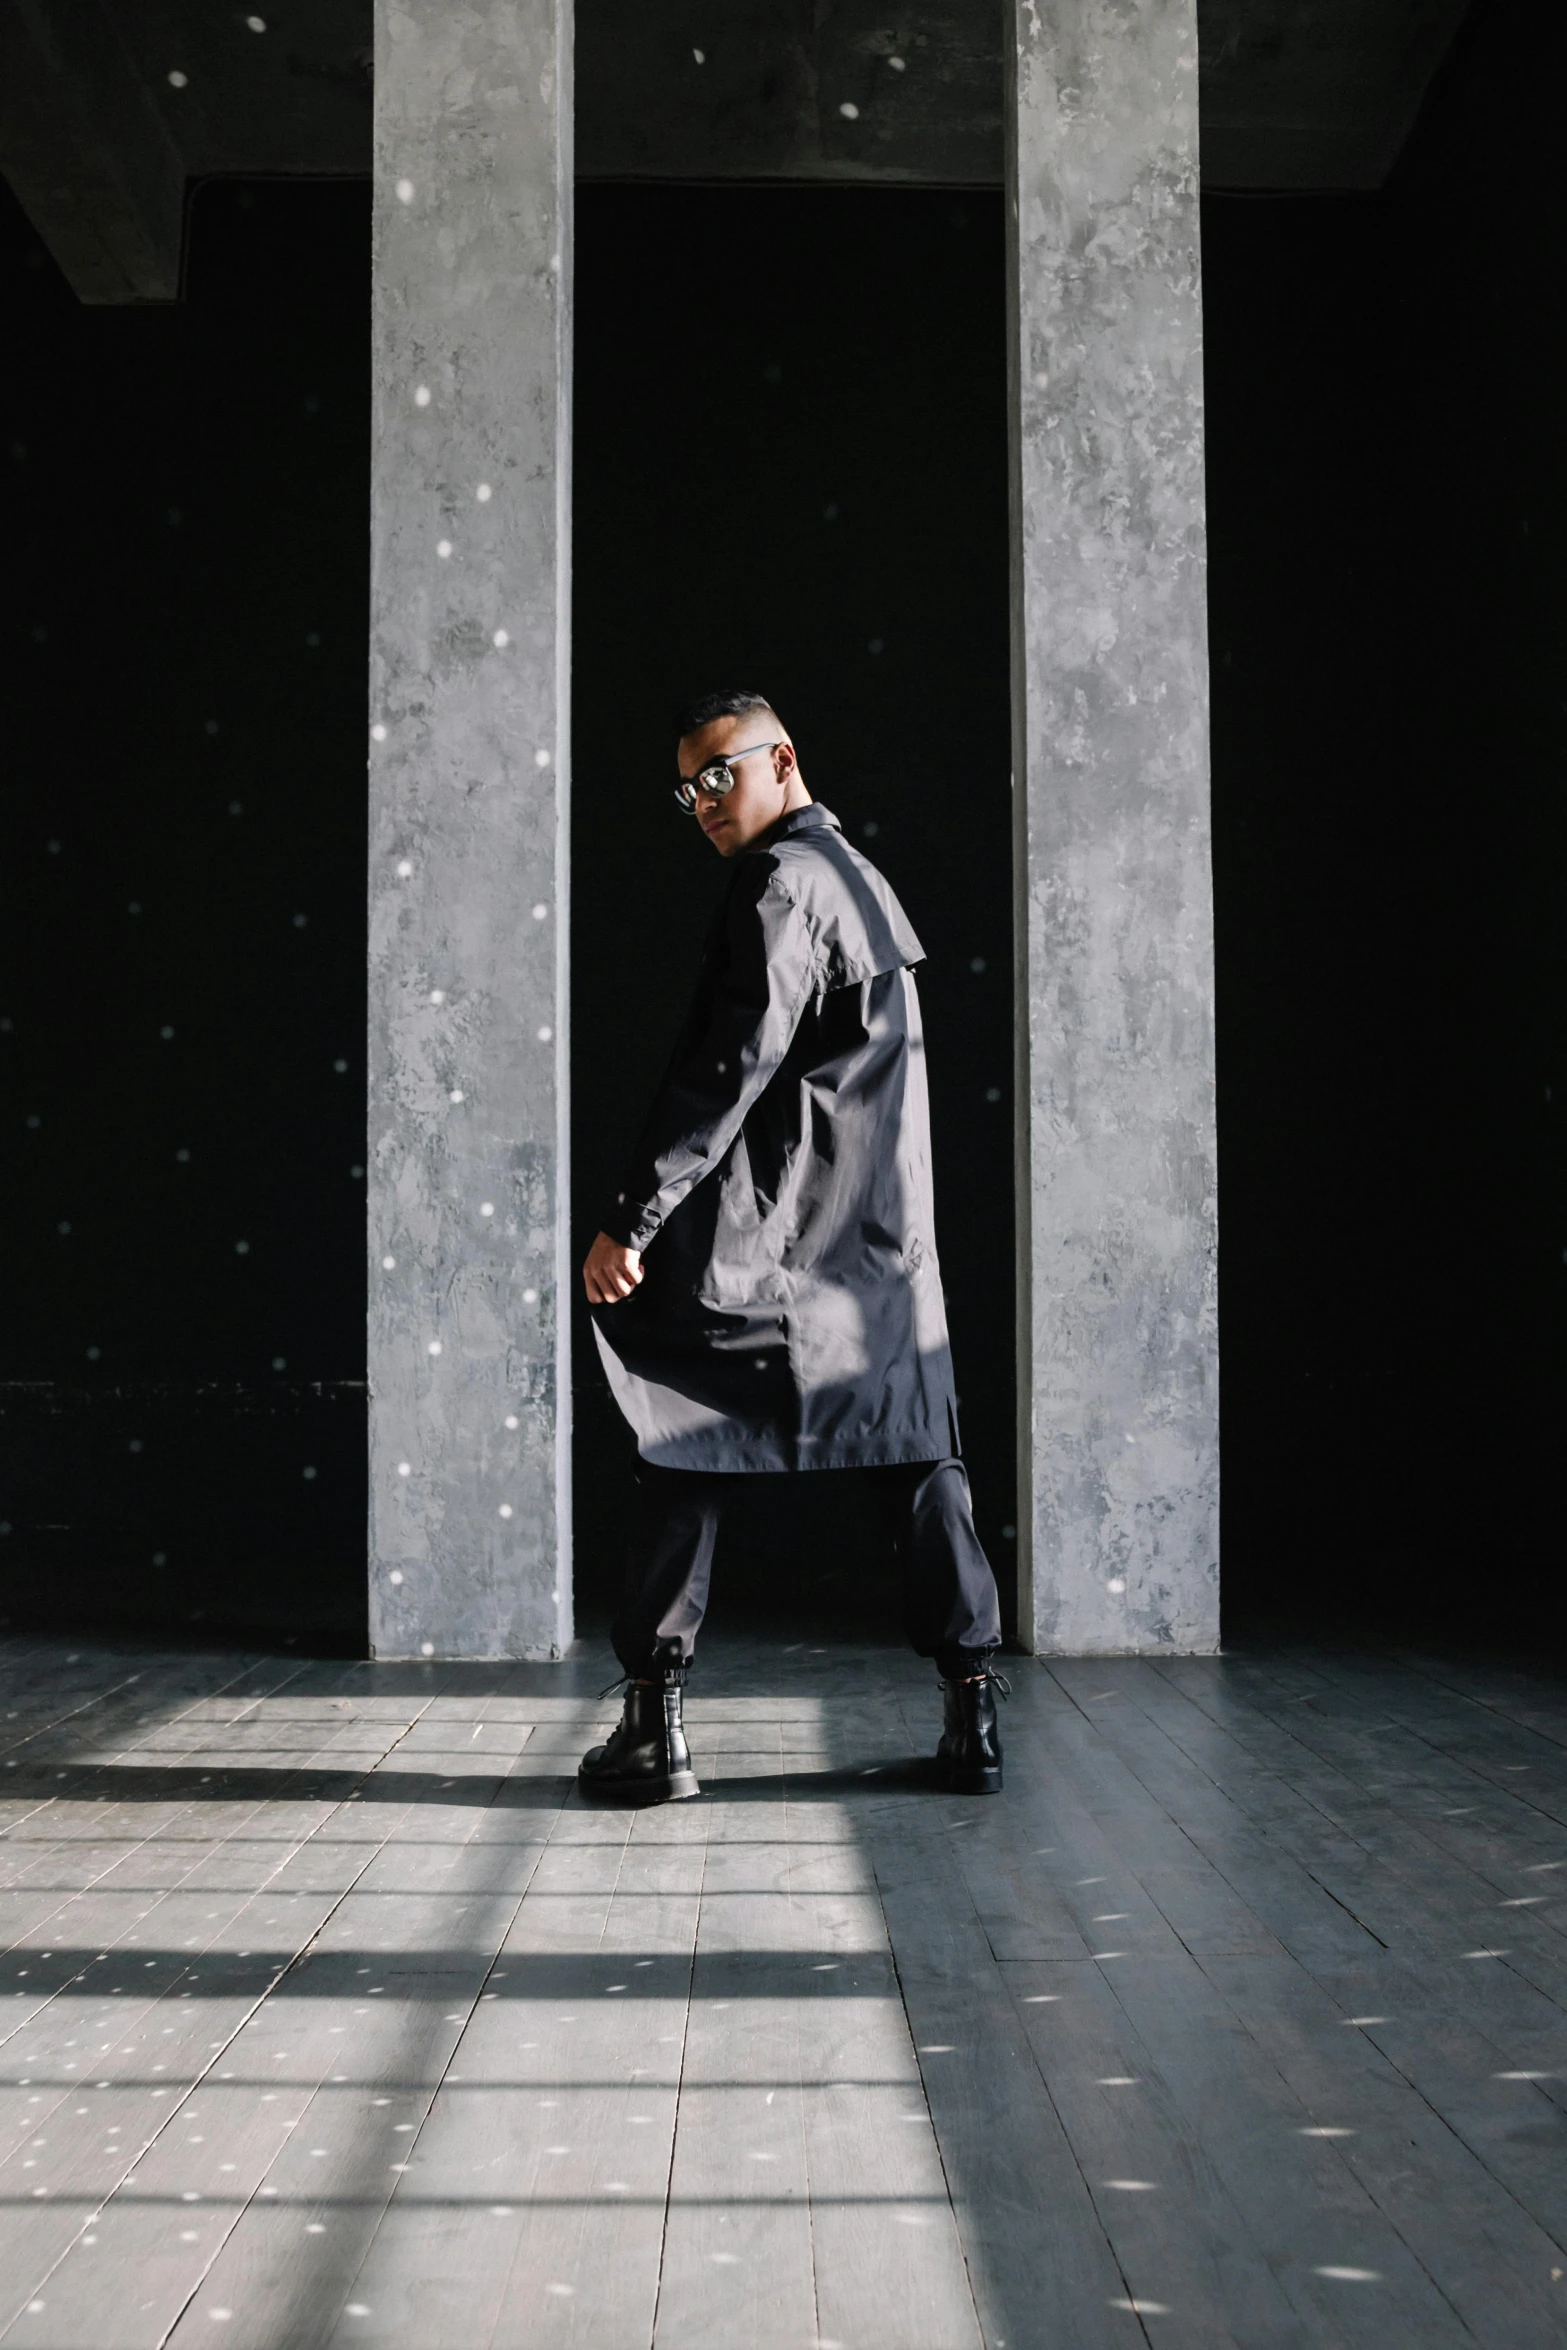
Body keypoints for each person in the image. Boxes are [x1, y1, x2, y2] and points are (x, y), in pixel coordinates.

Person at [579, 690, 1005, 1802]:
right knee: (919, 1459)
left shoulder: (780, 886)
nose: (701, 803)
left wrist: (632, 1214)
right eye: (688, 787)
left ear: (783, 761)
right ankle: (973, 1717)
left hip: (768, 1244)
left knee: (677, 1436)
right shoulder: (859, 878)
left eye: (718, 774)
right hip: (873, 1254)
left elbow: (729, 1068)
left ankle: (652, 1727)